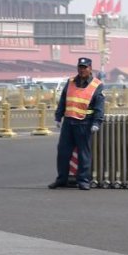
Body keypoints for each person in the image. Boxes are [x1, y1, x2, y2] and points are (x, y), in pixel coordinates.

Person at [49, 57, 105, 191]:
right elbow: (63, 100)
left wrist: (97, 122)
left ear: (90, 68)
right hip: (68, 123)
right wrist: (58, 117)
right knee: (63, 152)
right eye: (80, 67)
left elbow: (99, 106)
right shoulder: (70, 82)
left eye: (85, 67)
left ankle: (83, 181)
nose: (82, 70)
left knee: (83, 154)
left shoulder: (97, 85)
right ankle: (62, 179)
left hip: (84, 123)